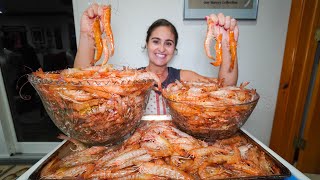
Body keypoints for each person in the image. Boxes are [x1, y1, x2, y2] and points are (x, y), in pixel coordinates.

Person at [74, 3, 239, 115]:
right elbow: (81, 82)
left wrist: (227, 43)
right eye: (155, 41)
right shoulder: (131, 79)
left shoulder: (184, 78)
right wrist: (87, 34)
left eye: (168, 43)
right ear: (146, 44)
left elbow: (226, 87)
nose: (161, 48)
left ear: (174, 49)